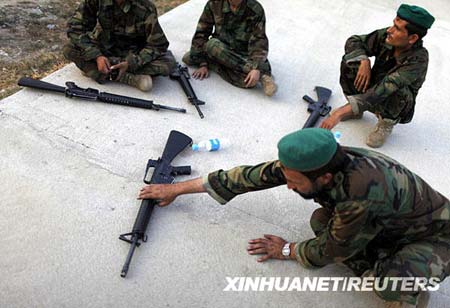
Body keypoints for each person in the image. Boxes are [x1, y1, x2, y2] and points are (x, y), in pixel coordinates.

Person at [139, 128, 450, 307]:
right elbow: (247, 177)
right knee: (320, 221)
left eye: (294, 182)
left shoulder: (361, 192)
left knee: (389, 284)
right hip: (391, 223)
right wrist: (176, 189)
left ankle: (407, 284)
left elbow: (330, 251)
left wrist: (287, 250)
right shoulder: (315, 161)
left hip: (436, 236)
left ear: (325, 178)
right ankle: (383, 263)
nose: (287, 185)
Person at [320, 4, 435, 148]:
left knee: (397, 90)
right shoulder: (388, 36)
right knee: (351, 61)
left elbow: (386, 87)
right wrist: (364, 60)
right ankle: (356, 110)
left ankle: (385, 124)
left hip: (394, 101)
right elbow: (354, 40)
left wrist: (340, 113)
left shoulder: (418, 60)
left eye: (397, 28)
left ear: (412, 38)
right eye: (393, 24)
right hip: (374, 85)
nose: (389, 30)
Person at [63, 0, 176, 92]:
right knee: (69, 49)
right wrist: (96, 56)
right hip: (104, 50)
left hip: (133, 54)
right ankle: (128, 78)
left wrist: (131, 63)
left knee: (168, 64)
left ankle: (94, 70)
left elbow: (158, 45)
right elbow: (76, 28)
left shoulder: (146, 8)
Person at [182, 0, 277, 96]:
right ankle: (261, 73)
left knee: (212, 46)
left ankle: (261, 74)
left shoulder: (255, 9)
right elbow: (202, 33)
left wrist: (256, 67)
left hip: (244, 53)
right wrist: (203, 64)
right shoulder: (214, 3)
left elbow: (259, 41)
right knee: (189, 57)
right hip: (220, 47)